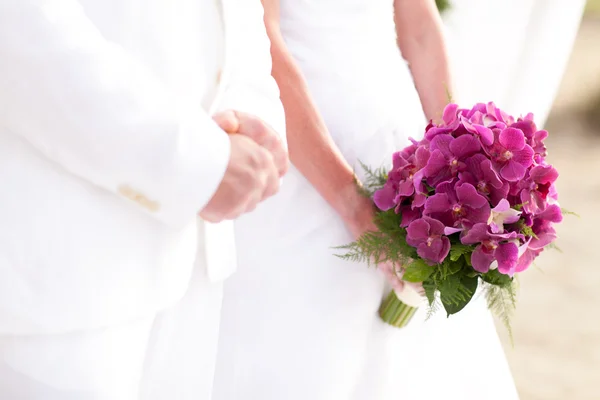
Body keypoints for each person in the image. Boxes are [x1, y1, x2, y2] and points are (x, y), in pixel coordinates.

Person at [213, 0, 517, 399]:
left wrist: (457, 159)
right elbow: (264, 42)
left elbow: (421, 29)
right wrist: (352, 203)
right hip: (303, 153)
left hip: (398, 141)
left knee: (415, 365)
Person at [0, 1, 287, 399]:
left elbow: (238, 22)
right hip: (66, 278)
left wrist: (255, 122)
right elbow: (20, 29)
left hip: (194, 270)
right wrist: (199, 160)